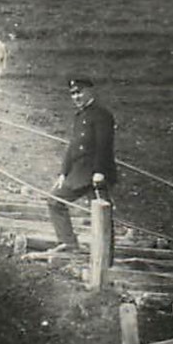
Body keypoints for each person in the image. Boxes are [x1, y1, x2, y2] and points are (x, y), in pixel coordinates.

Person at [44, 75, 117, 255]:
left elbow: (104, 145)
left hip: (94, 175)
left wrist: (99, 172)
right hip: (78, 173)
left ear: (89, 91)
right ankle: (68, 243)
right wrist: (63, 173)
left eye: (79, 92)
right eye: (73, 93)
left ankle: (106, 258)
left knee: (103, 215)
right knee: (55, 201)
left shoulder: (102, 115)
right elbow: (73, 146)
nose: (76, 97)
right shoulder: (79, 116)